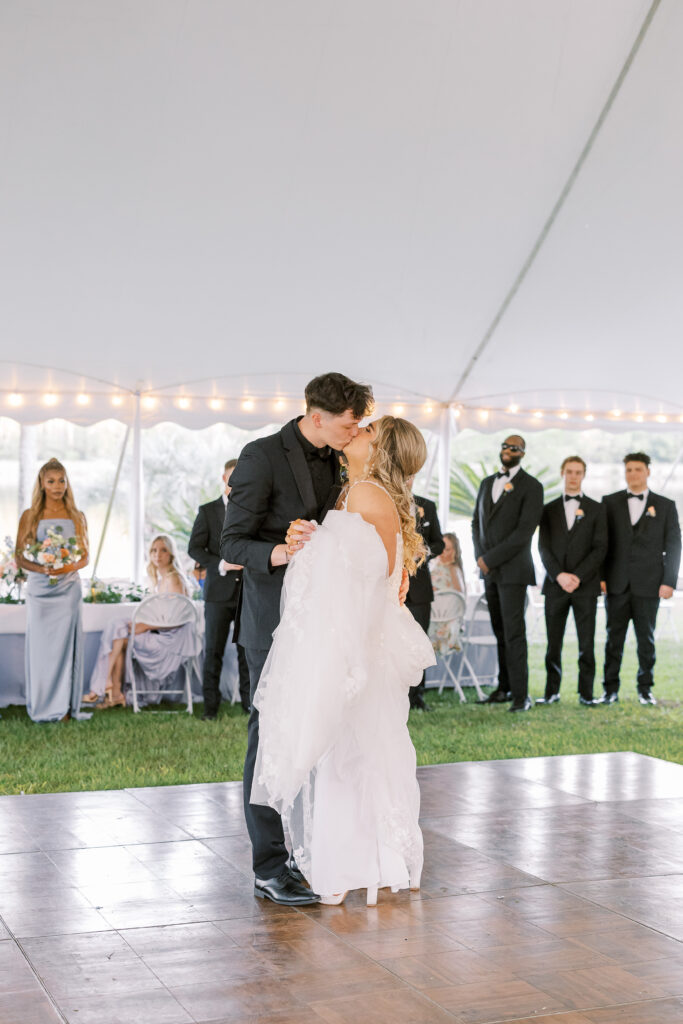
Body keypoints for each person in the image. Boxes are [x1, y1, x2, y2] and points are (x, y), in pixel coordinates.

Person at [252, 416, 435, 906]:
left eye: (369, 429)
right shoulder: (353, 492)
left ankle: (351, 864)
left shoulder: (365, 495)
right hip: (356, 642)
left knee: (350, 755)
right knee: (353, 754)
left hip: (355, 646)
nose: (356, 429)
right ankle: (359, 860)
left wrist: (306, 548)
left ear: (381, 449)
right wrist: (308, 538)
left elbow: (351, 581)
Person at [221, 372, 375, 907]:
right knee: (271, 736)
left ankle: (310, 848)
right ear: (316, 416)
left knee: (320, 732)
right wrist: (281, 552)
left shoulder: (340, 458)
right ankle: (269, 865)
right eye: (348, 422)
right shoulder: (260, 455)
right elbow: (232, 541)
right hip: (272, 622)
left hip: (325, 619)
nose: (355, 431)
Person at [599, 452, 681, 706]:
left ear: (647, 472)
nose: (632, 474)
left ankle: (645, 689)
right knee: (614, 639)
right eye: (629, 470)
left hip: (650, 584)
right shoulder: (609, 502)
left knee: (646, 639)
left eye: (637, 469)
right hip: (617, 583)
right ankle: (609, 690)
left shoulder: (665, 505)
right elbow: (602, 543)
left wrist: (669, 581)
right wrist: (601, 577)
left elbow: (674, 545)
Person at [472, 435, 544, 712]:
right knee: (499, 631)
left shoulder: (532, 486)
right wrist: (481, 557)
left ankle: (521, 695)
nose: (507, 450)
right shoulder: (487, 483)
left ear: (522, 453)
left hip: (513, 571)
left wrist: (490, 558)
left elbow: (524, 532)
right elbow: (474, 522)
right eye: (504, 445)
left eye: (514, 447)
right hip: (488, 571)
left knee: (515, 633)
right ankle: (503, 687)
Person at [15, 458, 91, 723]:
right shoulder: (30, 516)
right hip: (39, 591)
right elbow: (20, 558)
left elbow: (85, 557)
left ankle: (65, 709)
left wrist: (63, 568)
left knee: (65, 648)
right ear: (42, 484)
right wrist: (43, 569)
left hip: (67, 588)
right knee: (41, 649)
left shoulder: (76, 515)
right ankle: (42, 705)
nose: (58, 486)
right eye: (52, 481)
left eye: (62, 480)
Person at [84, 535, 197, 708]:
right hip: (160, 632)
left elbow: (177, 619)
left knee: (118, 633)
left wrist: (144, 626)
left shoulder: (174, 579)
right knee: (117, 627)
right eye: (153, 550)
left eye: (163, 550)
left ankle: (105, 687)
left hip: (170, 640)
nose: (157, 555)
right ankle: (113, 692)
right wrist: (143, 625)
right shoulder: (161, 580)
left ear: (171, 555)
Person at [537, 456, 607, 706]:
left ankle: (586, 694)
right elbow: (543, 547)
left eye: (578, 472)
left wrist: (577, 576)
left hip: (585, 587)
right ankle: (551, 692)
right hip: (555, 587)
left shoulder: (597, 509)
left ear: (584, 475)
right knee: (552, 644)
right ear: (562, 473)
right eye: (569, 471)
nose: (574, 476)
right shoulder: (548, 509)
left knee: (586, 643)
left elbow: (600, 548)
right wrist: (559, 575)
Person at [188, 459, 250, 719]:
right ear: (223, 479)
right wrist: (222, 563)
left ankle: (249, 705)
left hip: (247, 593)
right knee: (212, 651)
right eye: (231, 477)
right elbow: (194, 548)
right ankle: (210, 708)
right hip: (216, 595)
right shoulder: (208, 511)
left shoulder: (252, 510)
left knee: (246, 652)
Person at [405, 491, 444, 710]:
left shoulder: (427, 504)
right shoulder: (384, 499)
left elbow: (439, 542)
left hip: (420, 588)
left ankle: (416, 696)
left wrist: (425, 551)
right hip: (390, 586)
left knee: (419, 642)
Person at [429, 532, 467, 657]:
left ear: (454, 551)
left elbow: (459, 595)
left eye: (448, 549)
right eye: (442, 549)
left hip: (447, 620)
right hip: (430, 616)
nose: (443, 553)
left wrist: (451, 567)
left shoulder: (454, 570)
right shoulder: (433, 566)